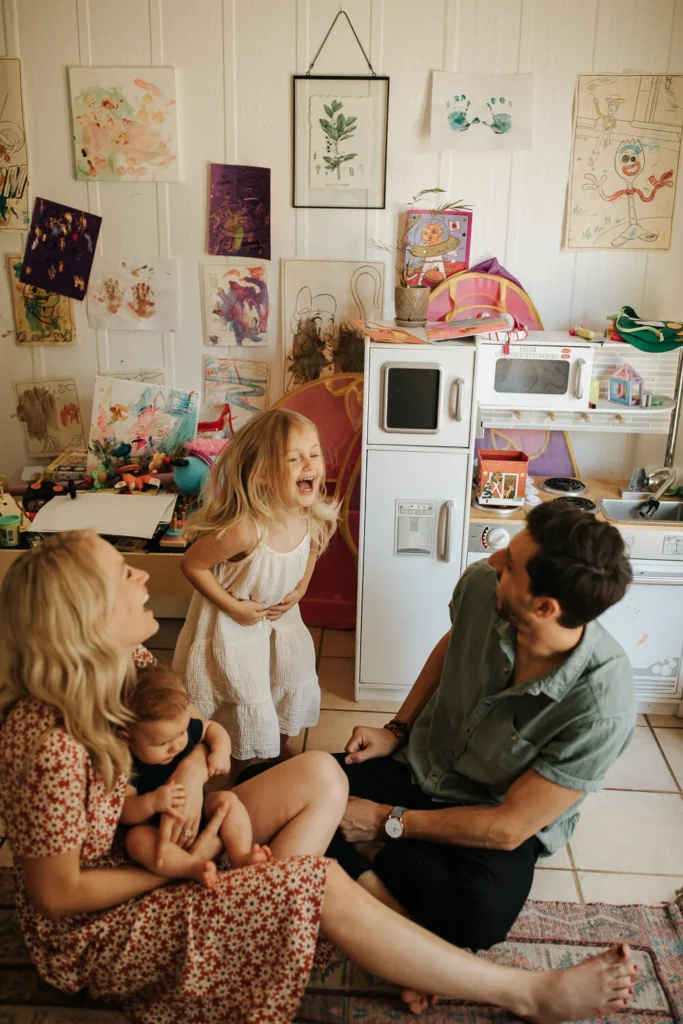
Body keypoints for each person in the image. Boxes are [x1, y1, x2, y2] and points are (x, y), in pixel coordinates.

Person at [0, 530, 637, 1024]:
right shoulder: (44, 746)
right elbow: (56, 897)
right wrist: (182, 872)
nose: (141, 573)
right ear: (85, 620)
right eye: (123, 572)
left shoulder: (126, 661)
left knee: (321, 778)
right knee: (318, 879)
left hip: (167, 840)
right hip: (106, 924)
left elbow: (191, 728)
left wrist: (192, 769)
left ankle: (284, 912)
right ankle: (528, 994)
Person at [324, 501, 636, 975]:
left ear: (545, 607)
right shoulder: (481, 586)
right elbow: (454, 641)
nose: (493, 561)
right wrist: (396, 730)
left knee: (479, 913)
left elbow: (509, 828)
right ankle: (399, 914)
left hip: (487, 815)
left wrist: (385, 821)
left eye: (509, 565)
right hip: (419, 765)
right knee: (278, 787)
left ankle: (374, 859)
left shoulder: (603, 707)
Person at [173, 408, 338, 771]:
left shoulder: (309, 514)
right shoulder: (244, 530)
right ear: (262, 473)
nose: (309, 465)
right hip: (233, 625)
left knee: (286, 681)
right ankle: (243, 765)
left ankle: (275, 749)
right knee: (244, 696)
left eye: (314, 454)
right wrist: (233, 607)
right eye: (294, 459)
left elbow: (312, 549)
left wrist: (301, 588)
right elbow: (192, 564)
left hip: (279, 620)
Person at [121, 665, 269, 887]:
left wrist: (221, 750)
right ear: (127, 738)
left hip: (201, 811)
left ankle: (240, 856)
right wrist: (152, 802)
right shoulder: (128, 763)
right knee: (136, 840)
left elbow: (211, 728)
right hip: (157, 831)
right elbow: (125, 810)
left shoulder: (179, 728)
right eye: (162, 744)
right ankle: (192, 867)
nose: (176, 746)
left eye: (181, 733)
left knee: (227, 801)